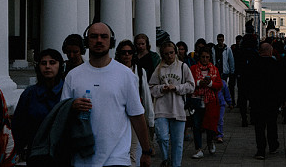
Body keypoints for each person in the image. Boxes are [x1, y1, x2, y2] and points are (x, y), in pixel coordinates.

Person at [61, 22, 153, 167]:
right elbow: (62, 115)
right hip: (82, 159)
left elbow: (136, 115)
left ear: (111, 42)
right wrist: (71, 106)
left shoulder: (126, 75)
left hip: (116, 159)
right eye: (94, 36)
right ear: (87, 41)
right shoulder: (73, 76)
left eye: (104, 37)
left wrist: (146, 151)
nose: (99, 40)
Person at [12, 48, 65, 160]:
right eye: (43, 63)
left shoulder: (68, 91)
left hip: (63, 152)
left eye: (52, 62)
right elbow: (18, 124)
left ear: (60, 65)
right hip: (37, 152)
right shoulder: (29, 94)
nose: (47, 66)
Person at [149, 41, 195, 167]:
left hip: (178, 109)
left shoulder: (183, 67)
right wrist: (162, 88)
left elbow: (191, 86)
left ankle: (176, 164)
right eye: (166, 54)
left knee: (177, 142)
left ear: (175, 52)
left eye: (171, 53)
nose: (169, 56)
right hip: (161, 108)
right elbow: (151, 87)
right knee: (162, 137)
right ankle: (165, 159)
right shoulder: (158, 69)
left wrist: (177, 88)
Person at [115, 40, 155, 166]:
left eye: (130, 52)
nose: (127, 55)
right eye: (123, 52)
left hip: (135, 114)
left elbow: (145, 94)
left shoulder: (139, 71)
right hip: (118, 115)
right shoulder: (114, 71)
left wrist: (150, 118)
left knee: (132, 149)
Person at [249, 43, 285, 160]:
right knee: (271, 124)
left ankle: (261, 150)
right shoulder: (276, 65)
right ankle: (273, 145)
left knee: (259, 126)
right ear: (270, 52)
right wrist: (281, 99)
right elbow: (280, 84)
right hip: (272, 101)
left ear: (260, 51)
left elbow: (248, 83)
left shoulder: (254, 64)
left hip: (257, 100)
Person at [189, 46, 223, 159]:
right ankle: (198, 148)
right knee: (197, 125)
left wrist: (209, 84)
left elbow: (219, 85)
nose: (204, 59)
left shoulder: (214, 69)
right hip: (197, 100)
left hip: (210, 101)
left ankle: (210, 142)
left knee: (209, 126)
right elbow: (189, 83)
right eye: (203, 57)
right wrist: (199, 83)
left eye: (207, 57)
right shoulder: (193, 68)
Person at [215, 79, 233, 143]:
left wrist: (229, 102)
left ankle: (219, 135)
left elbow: (226, 93)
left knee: (220, 119)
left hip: (220, 103)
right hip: (212, 103)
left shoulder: (222, 82)